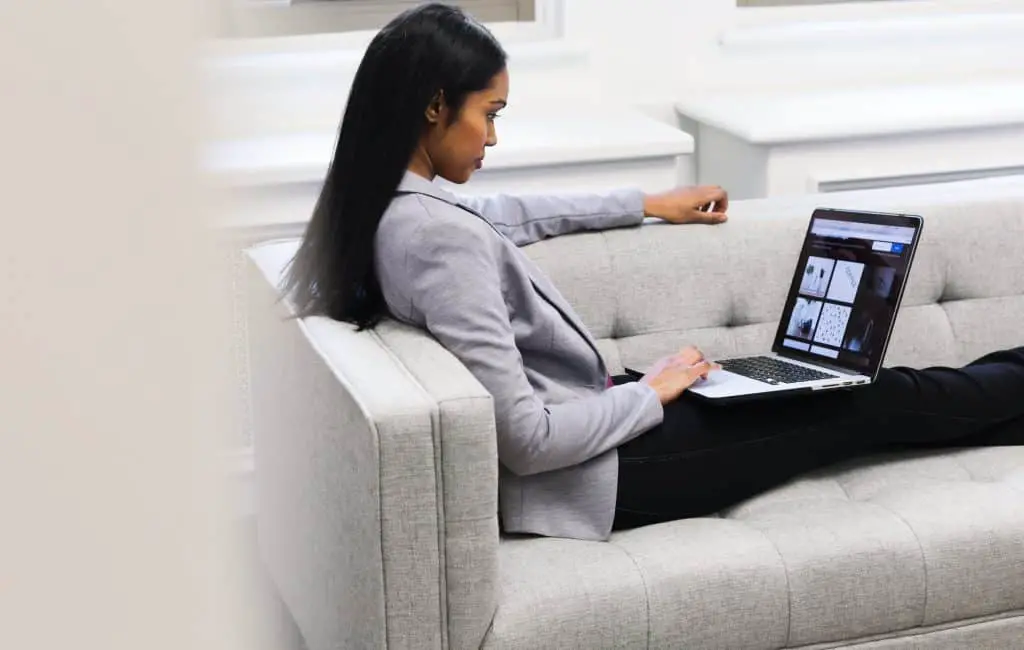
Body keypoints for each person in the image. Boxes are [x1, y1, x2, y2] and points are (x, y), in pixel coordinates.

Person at [283, 3, 1024, 541]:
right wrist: (652, 391)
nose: (494, 138)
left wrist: (650, 202)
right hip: (615, 474)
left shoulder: (388, 208)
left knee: (838, 386)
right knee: (874, 400)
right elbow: (526, 439)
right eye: (491, 113)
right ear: (435, 106)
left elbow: (513, 212)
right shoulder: (437, 239)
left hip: (608, 423)